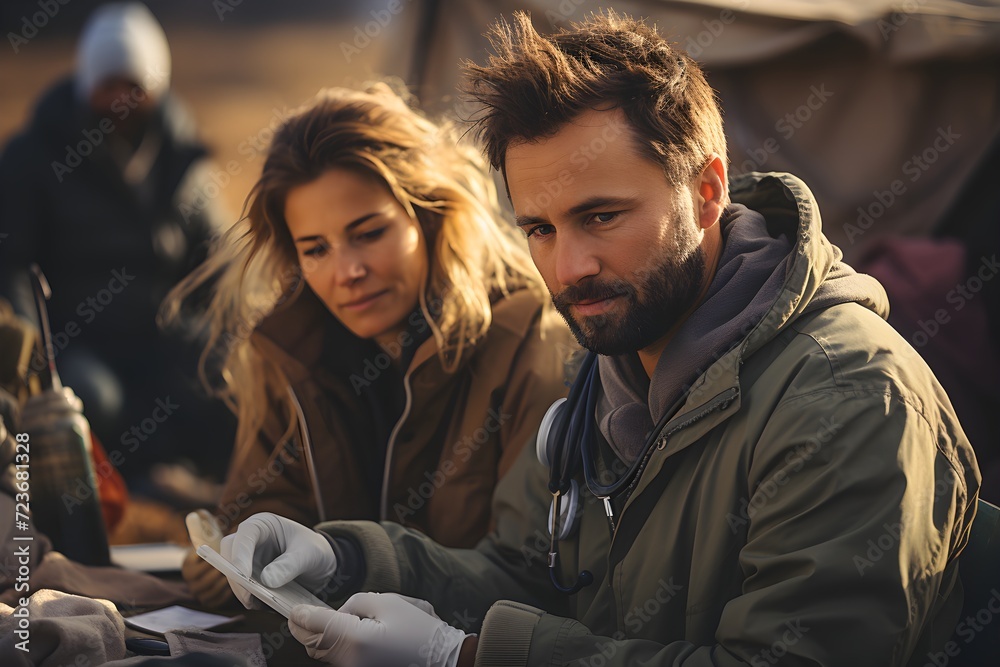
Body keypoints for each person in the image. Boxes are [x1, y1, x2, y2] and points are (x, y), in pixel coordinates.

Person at [220, 11, 981, 667]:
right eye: (541, 229)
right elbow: (524, 571)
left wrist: (465, 655)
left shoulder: (847, 396)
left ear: (708, 190)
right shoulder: (604, 369)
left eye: (602, 216)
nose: (570, 266)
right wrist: (345, 557)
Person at [165, 83, 576, 606]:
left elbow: (527, 576)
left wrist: (351, 563)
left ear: (427, 216)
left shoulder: (531, 343)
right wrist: (235, 560)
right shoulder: (289, 354)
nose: (348, 272)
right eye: (316, 249)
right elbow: (261, 510)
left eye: (369, 233)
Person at [0, 3, 234, 490]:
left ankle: (212, 487)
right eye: (108, 84)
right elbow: (13, 263)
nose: (120, 100)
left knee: (223, 380)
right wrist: (34, 351)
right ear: (87, 84)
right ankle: (120, 488)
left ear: (157, 86)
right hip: (74, 341)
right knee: (92, 399)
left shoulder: (184, 158)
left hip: (162, 334)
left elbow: (219, 259)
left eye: (134, 85)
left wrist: (226, 331)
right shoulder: (32, 158)